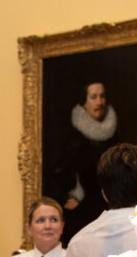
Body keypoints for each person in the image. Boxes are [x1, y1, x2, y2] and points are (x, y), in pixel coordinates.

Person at [50, 81, 119, 243]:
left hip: (108, 212)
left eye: (102, 96)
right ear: (84, 103)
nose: (99, 102)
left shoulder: (115, 135)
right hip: (81, 215)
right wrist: (73, 195)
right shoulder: (72, 138)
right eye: (93, 97)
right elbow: (60, 171)